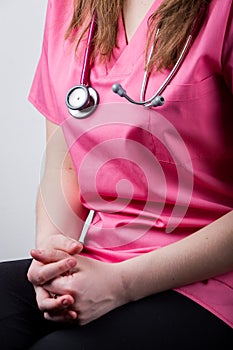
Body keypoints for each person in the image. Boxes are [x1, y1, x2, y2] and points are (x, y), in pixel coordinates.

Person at [0, 0, 233, 349]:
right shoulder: (71, 6)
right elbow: (64, 158)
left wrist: (121, 284)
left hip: (212, 277)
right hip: (100, 261)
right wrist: (52, 262)